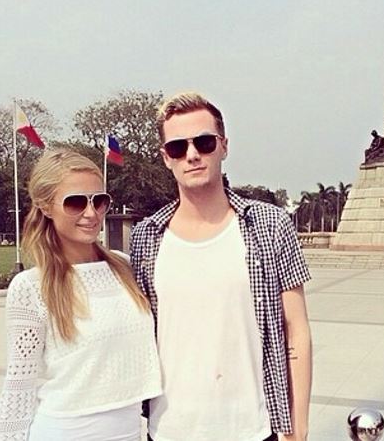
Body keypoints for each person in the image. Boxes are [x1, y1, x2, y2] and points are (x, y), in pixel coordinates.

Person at [130, 92, 312, 441]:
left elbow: (296, 329)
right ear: (166, 158)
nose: (192, 155)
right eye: (178, 147)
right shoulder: (146, 236)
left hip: (251, 428)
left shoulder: (269, 225)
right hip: (169, 430)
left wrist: (297, 428)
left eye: (204, 142)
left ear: (224, 146)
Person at [0, 148, 161, 441]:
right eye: (75, 202)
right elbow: (19, 385)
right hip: (64, 431)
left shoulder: (125, 268)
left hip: (129, 432)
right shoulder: (31, 287)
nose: (91, 213)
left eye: (99, 201)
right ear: (46, 206)